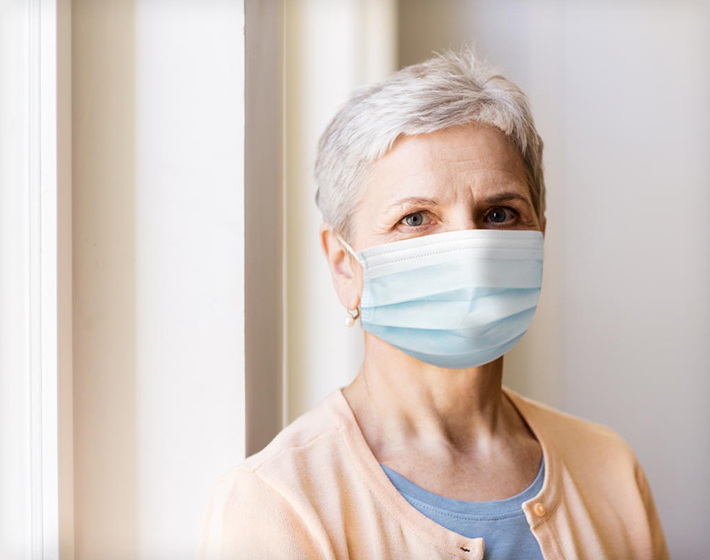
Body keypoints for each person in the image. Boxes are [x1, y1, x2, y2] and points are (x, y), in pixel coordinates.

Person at [197, 48, 669, 560]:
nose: (471, 249)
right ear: (344, 264)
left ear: (539, 239)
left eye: (498, 214)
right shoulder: (279, 502)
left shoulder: (609, 467)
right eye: (416, 219)